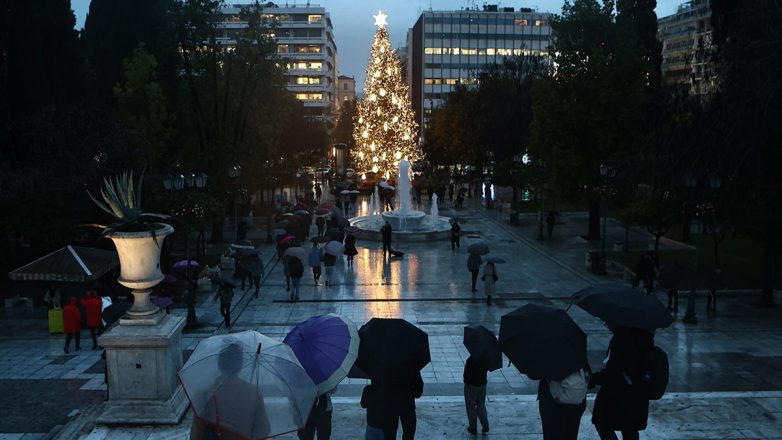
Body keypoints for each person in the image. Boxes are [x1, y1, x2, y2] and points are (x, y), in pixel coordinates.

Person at [190, 342, 271, 440]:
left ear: (220, 364)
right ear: (240, 365)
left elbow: (196, 435)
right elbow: (263, 431)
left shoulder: (205, 396)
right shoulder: (254, 393)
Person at [589, 324, 653, 440]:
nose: (606, 324)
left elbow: (615, 372)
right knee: (629, 429)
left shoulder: (623, 340)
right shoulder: (643, 337)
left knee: (603, 424)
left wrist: (593, 379)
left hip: (619, 396)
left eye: (607, 321)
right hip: (635, 395)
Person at [538, 368, 588, 440]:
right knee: (570, 433)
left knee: (552, 434)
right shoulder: (577, 361)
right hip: (576, 397)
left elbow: (534, 374)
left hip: (551, 400)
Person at [382, 372, 424, 440]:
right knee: (409, 433)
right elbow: (418, 390)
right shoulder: (411, 368)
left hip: (390, 406)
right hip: (407, 404)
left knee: (389, 434)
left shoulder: (386, 368)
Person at [463, 355, 489, 435]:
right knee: (481, 404)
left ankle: (473, 427)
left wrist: (466, 382)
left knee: (471, 406)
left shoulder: (470, 360)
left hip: (471, 385)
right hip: (482, 384)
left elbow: (466, 374)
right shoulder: (485, 359)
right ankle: (485, 425)